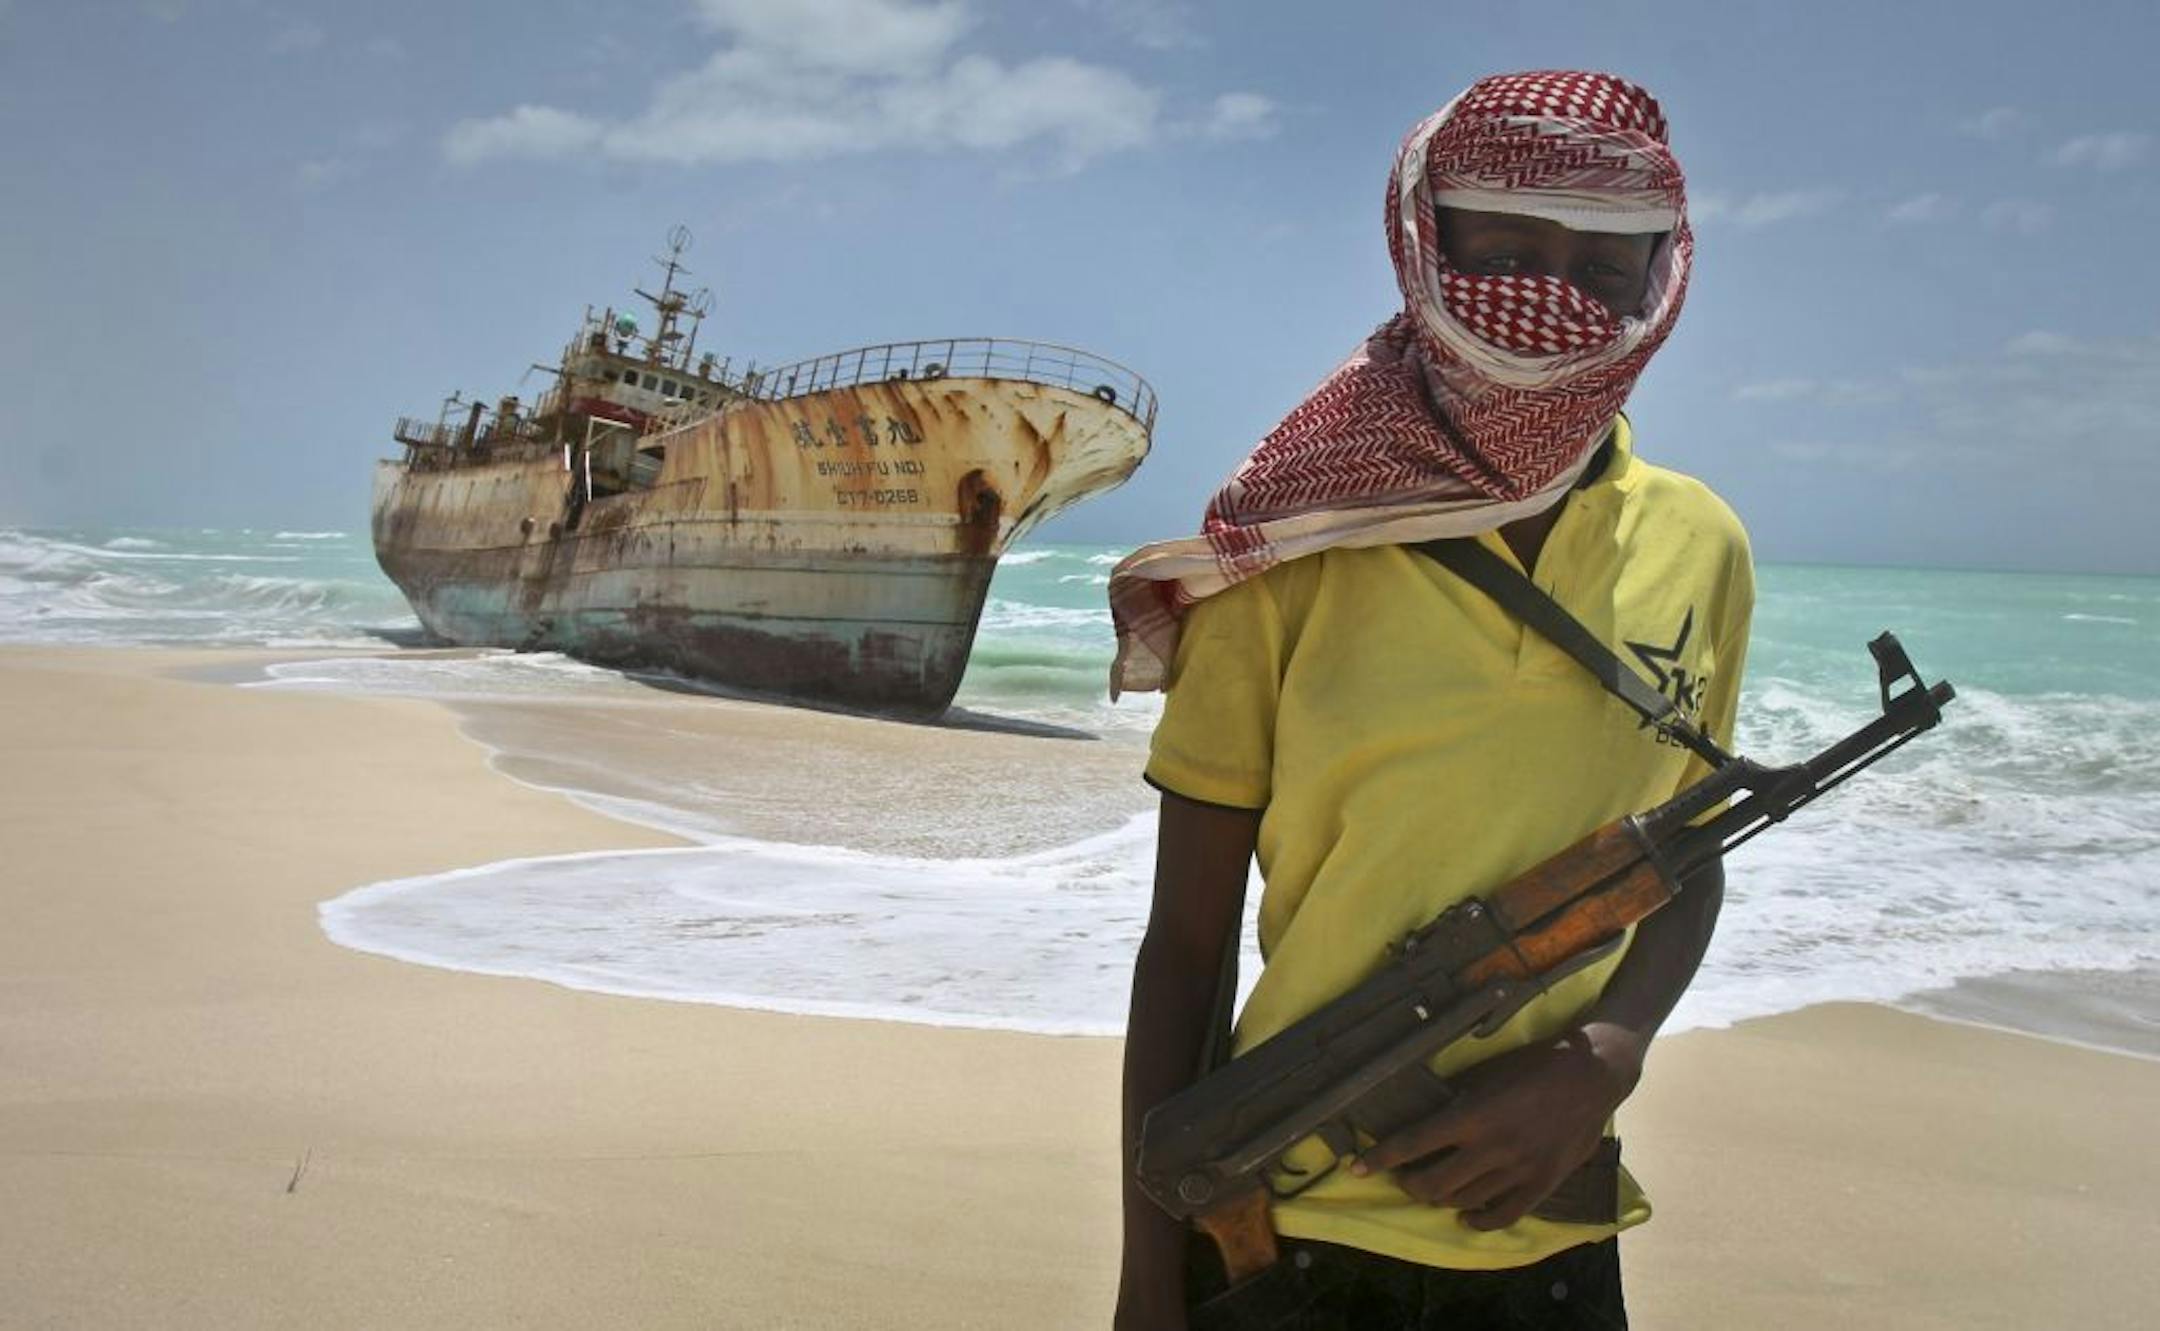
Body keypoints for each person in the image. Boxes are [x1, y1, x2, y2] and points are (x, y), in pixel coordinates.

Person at [1108, 71, 1754, 1330]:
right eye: (1506, 249)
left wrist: (1605, 1056)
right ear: (1424, 247)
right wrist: (1146, 1287)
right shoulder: (1287, 549)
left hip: (1548, 1225)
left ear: (1657, 285)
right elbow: (1183, 949)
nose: (1552, 297)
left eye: (1603, 267)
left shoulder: (1703, 544)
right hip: (1280, 1226)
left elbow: (1688, 847)